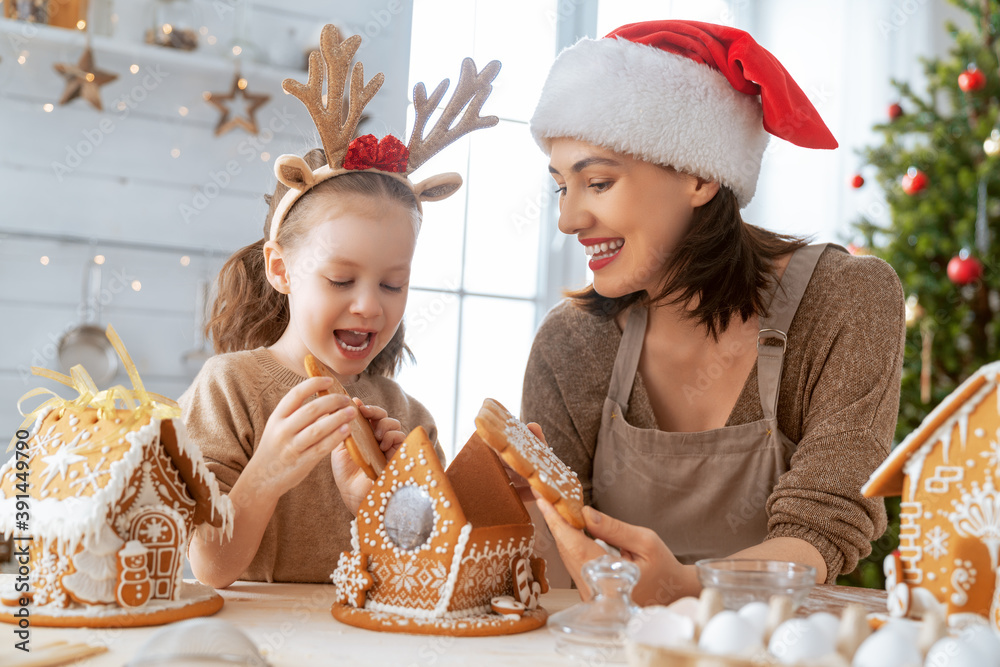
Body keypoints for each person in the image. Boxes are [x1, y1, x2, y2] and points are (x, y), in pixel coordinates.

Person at [521, 20, 905, 604]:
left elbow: (824, 524)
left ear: (700, 176)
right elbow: (550, 564)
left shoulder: (845, 302)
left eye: (597, 182)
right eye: (560, 188)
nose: (568, 220)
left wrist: (689, 586)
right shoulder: (571, 343)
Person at [180, 26, 499, 587]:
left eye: (392, 285)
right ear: (281, 269)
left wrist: (378, 503)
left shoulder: (406, 417)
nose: (369, 307)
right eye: (341, 279)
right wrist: (268, 472)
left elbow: (428, 574)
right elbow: (209, 568)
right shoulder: (228, 390)